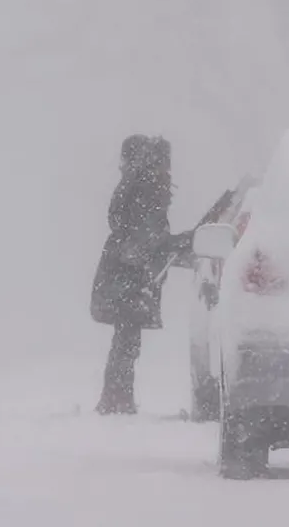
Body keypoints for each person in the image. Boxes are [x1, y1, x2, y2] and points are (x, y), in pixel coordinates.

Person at [89, 134, 193, 415]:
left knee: (125, 337)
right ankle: (116, 400)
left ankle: (116, 398)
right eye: (166, 164)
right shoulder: (148, 189)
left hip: (121, 272)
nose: (168, 170)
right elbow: (148, 240)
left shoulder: (134, 186)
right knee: (127, 339)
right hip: (130, 275)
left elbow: (142, 236)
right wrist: (184, 242)